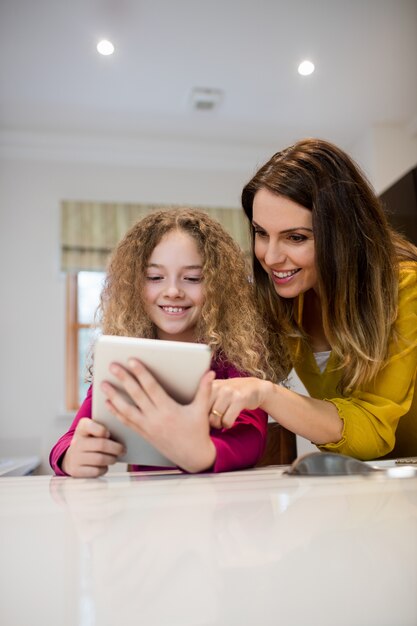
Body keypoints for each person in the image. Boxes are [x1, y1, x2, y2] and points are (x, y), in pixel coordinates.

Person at [208, 138, 417, 460]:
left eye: (295, 237)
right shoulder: (286, 297)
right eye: (261, 233)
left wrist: (266, 394)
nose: (271, 256)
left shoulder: (405, 287)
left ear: (342, 234)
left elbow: (373, 431)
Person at [50, 208, 281, 477]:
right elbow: (67, 442)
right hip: (148, 509)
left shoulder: (236, 357)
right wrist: (70, 457)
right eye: (155, 277)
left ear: (218, 287)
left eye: (193, 278)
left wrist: (202, 454)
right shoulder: (125, 359)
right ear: (135, 285)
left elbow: (251, 437)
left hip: (223, 508)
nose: (172, 291)